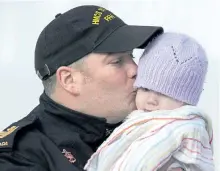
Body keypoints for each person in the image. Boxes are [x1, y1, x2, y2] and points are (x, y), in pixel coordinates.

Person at [0, 5, 163, 171]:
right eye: (117, 61)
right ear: (70, 80)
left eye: (131, 56)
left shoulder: (155, 131)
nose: (136, 69)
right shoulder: (17, 159)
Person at [84, 32, 215, 171]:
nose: (151, 100)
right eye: (145, 89)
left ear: (186, 101)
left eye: (164, 94)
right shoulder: (132, 120)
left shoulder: (185, 128)